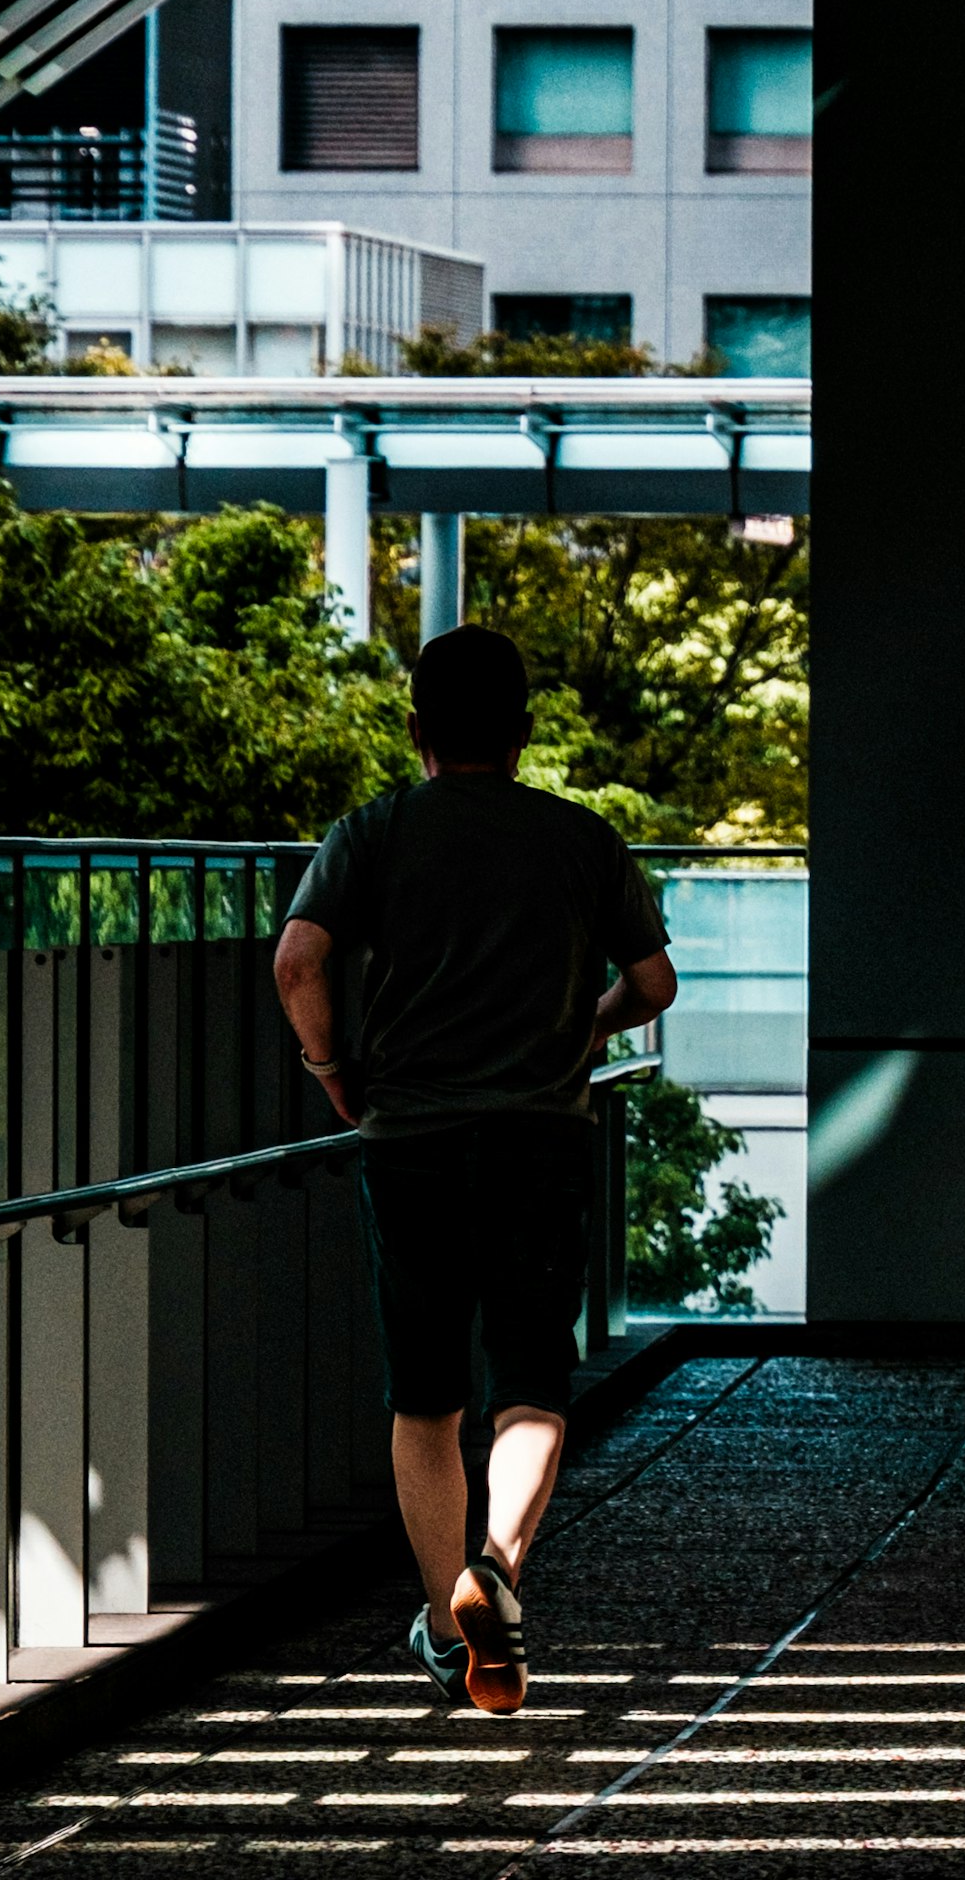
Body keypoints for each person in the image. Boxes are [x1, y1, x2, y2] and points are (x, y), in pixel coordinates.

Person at [276, 622, 675, 1714]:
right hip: (540, 1137)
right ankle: (495, 1570)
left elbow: (298, 958)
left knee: (426, 1396)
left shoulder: (373, 832)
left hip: (409, 1141)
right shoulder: (581, 839)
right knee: (533, 1379)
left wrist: (331, 1067)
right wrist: (586, 1028)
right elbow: (653, 984)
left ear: (417, 731)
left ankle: (448, 1633)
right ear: (524, 732)